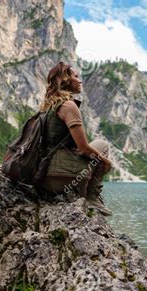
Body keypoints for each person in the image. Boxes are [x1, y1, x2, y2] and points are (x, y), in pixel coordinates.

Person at [37, 61, 113, 216]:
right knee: (102, 145)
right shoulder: (68, 106)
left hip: (43, 176)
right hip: (60, 178)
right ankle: (91, 196)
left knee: (92, 151)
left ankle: (83, 192)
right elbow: (84, 148)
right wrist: (105, 161)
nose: (80, 80)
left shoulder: (48, 106)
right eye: (76, 77)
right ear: (65, 80)